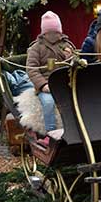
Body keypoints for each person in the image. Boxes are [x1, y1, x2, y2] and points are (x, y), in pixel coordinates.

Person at [26, 11, 75, 139]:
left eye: (56, 32)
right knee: (48, 103)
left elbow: (76, 63)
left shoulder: (67, 45)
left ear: (60, 32)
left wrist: (70, 58)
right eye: (50, 33)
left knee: (74, 101)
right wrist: (42, 85)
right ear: (44, 33)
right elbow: (31, 69)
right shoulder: (36, 48)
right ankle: (51, 133)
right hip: (46, 84)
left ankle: (74, 129)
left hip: (65, 82)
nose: (53, 36)